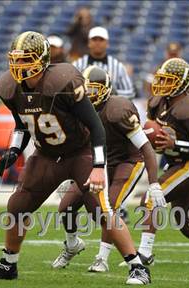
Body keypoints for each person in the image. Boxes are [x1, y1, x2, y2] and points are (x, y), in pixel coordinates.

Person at [0, 31, 151, 285]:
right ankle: (9, 264)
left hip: (79, 153)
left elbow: (95, 126)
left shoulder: (62, 81)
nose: (19, 66)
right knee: (17, 207)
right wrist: (14, 150)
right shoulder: (9, 87)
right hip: (47, 155)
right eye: (16, 60)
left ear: (41, 59)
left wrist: (97, 165)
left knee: (102, 210)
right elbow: (22, 125)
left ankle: (137, 267)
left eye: (25, 60)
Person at [51, 66, 165, 272]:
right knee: (66, 207)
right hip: (96, 163)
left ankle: (102, 258)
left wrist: (154, 182)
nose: (89, 95)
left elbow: (146, 147)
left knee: (108, 208)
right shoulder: (77, 110)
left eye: (94, 90)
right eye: (86, 91)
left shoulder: (118, 110)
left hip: (127, 161)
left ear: (105, 89)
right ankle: (72, 245)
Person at [136, 58, 189, 264]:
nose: (162, 85)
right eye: (161, 80)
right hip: (175, 164)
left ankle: (144, 254)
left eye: (168, 81)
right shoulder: (157, 102)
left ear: (182, 83)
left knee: (151, 199)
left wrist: (175, 145)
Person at [73, 26, 135, 99]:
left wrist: (113, 93)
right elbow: (71, 90)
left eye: (101, 40)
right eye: (94, 39)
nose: (98, 43)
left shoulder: (117, 66)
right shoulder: (77, 65)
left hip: (110, 108)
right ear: (89, 43)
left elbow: (130, 93)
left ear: (107, 43)